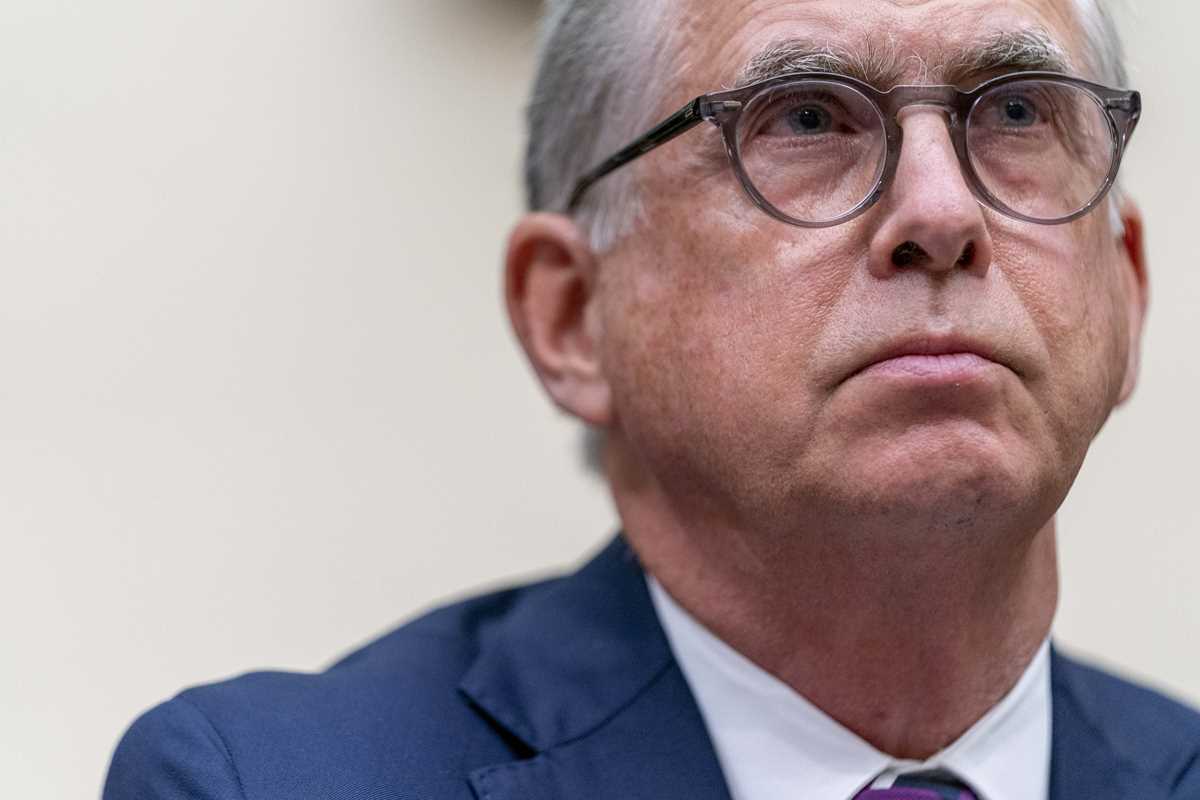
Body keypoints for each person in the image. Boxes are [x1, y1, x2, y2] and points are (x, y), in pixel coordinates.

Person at [103, 0, 1200, 798]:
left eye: (1016, 112)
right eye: (805, 120)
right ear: (573, 314)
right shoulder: (267, 780)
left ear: (1127, 287)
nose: (941, 213)